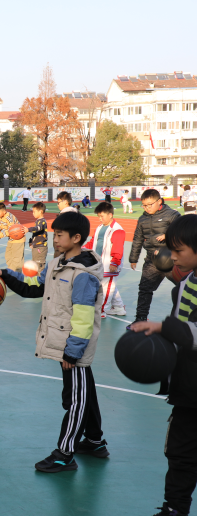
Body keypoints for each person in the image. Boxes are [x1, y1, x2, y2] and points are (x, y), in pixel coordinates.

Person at [0, 212, 107, 473]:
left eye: (59, 235)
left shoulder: (83, 274)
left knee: (75, 400)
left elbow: (83, 317)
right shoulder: (58, 263)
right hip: (63, 342)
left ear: (76, 238)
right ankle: (94, 441)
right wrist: (4, 274)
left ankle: (64, 454)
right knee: (83, 392)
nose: (54, 239)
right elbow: (34, 288)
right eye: (54, 234)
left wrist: (72, 353)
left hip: (73, 346)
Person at [130, 215, 197, 516]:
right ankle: (174, 509)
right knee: (180, 454)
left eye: (179, 250)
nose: (174, 256)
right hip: (187, 386)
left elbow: (189, 331)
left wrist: (162, 328)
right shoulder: (189, 280)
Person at [128, 188, 181, 328]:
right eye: (144, 205)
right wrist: (133, 258)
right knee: (144, 289)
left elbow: (183, 233)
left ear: (159, 201)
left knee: (184, 288)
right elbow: (137, 239)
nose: (146, 208)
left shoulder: (173, 215)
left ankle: (183, 321)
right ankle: (140, 318)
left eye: (149, 204)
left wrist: (168, 234)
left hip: (172, 260)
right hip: (152, 261)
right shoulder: (142, 219)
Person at [83, 201, 126, 318]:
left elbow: (118, 248)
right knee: (110, 286)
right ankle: (119, 307)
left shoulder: (117, 230)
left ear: (110, 215)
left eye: (102, 216)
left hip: (109, 264)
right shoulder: (100, 227)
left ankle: (101, 311)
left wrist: (115, 262)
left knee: (106, 288)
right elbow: (93, 242)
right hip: (99, 263)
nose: (100, 218)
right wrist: (82, 248)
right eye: (98, 216)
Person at [0, 202, 25, 271]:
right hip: (11, 239)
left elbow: (11, 231)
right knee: (8, 256)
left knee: (17, 259)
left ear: (4, 212)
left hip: (18, 239)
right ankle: (11, 271)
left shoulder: (9, 218)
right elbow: (2, 225)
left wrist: (0, 235)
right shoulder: (1, 217)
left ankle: (17, 275)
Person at [27, 202, 49, 269]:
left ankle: (40, 279)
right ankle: (35, 279)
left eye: (34, 211)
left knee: (39, 266)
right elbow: (35, 234)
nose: (33, 213)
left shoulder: (42, 221)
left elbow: (37, 229)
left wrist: (28, 229)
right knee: (35, 265)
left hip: (40, 247)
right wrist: (31, 242)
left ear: (41, 212)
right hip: (36, 246)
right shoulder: (38, 221)